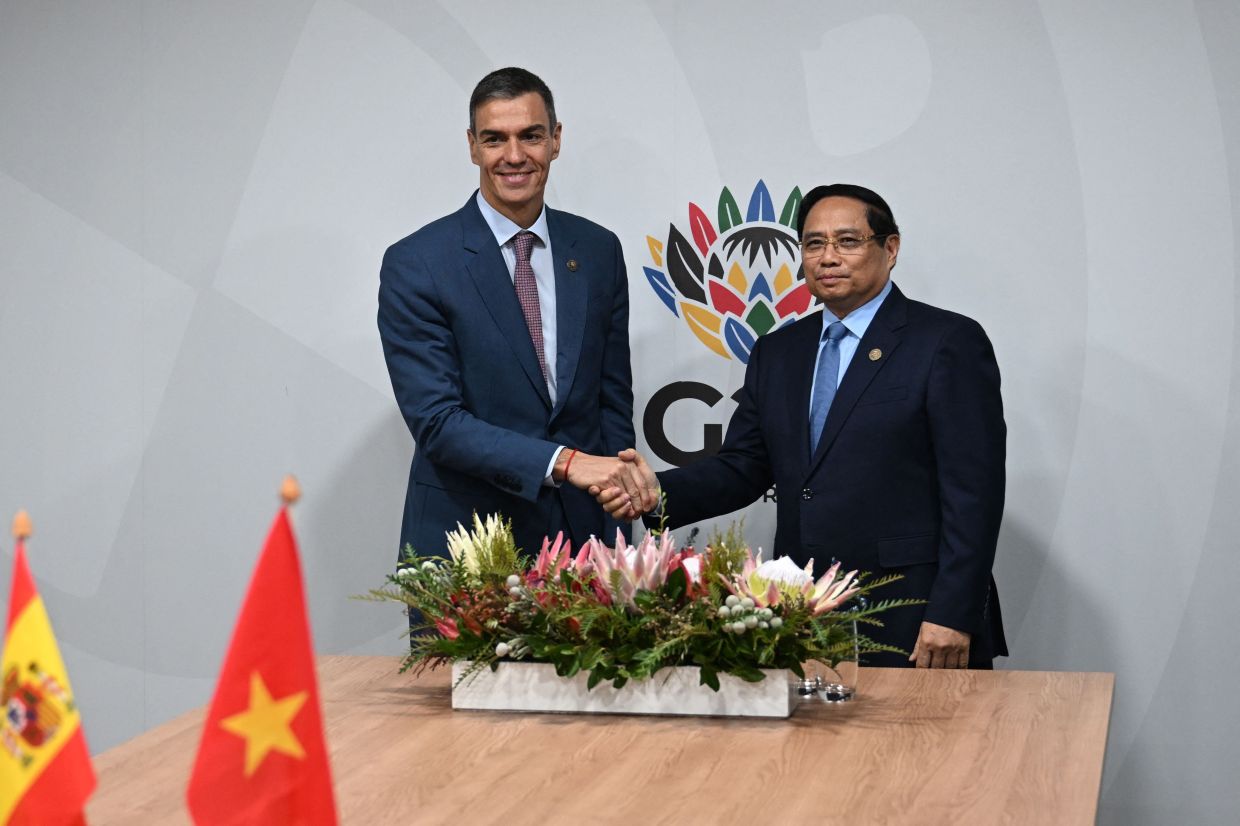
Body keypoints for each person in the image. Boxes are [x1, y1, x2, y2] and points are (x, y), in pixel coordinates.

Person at [596, 184, 1007, 669]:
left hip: (915, 615)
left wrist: (953, 613)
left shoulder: (946, 341)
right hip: (803, 611)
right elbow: (745, 466)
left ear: (890, 248)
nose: (828, 257)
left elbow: (974, 493)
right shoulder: (779, 351)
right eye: (814, 244)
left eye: (848, 242)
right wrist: (653, 493)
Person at [379, 67, 653, 561]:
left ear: (556, 140)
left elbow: (611, 400)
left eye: (530, 135)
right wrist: (566, 462)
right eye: (494, 139)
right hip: (468, 545)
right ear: (471, 146)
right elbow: (438, 422)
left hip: (586, 541)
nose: (513, 156)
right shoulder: (417, 263)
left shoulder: (597, 250)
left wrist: (616, 498)